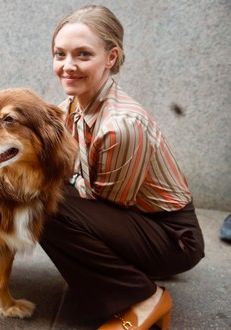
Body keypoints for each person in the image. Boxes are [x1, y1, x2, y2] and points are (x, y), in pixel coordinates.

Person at [39, 5, 205, 329]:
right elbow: (25, 132)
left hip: (174, 237)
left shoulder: (120, 125)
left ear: (111, 57)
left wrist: (59, 176)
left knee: (43, 201)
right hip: (138, 223)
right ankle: (109, 281)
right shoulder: (72, 105)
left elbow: (107, 202)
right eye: (60, 54)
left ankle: (143, 297)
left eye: (83, 55)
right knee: (33, 187)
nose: (67, 66)